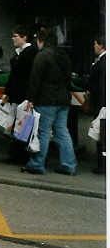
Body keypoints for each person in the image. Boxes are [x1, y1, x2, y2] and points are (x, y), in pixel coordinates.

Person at [22, 27, 77, 175]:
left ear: (41, 41)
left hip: (46, 100)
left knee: (43, 133)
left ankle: (37, 164)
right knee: (62, 132)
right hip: (63, 100)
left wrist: (31, 99)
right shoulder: (64, 56)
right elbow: (68, 78)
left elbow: (35, 80)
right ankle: (69, 165)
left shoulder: (42, 56)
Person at [3, 25, 37, 164]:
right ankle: (16, 154)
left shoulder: (29, 52)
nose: (13, 39)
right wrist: (7, 92)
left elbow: (21, 75)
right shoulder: (20, 52)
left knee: (22, 125)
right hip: (17, 94)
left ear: (24, 37)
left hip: (23, 95)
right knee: (17, 124)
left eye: (15, 36)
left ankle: (20, 155)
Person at [88, 35, 106, 174]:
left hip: (102, 104)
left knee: (102, 134)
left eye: (95, 44)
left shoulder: (102, 63)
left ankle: (102, 165)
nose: (94, 46)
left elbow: (100, 85)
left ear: (101, 46)